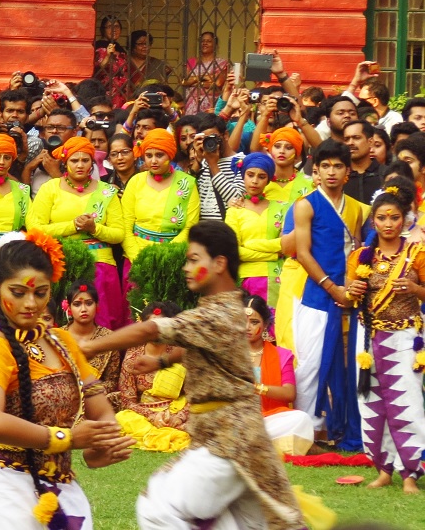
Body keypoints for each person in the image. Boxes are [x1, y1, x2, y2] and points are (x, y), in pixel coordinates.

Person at [83, 221, 306, 530]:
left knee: (156, 507)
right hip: (230, 438)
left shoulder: (220, 313)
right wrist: (161, 364)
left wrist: (88, 349)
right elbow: (199, 349)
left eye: (193, 259)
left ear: (219, 263)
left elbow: (152, 328)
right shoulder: (221, 311)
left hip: (229, 441)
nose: (186, 268)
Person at [0, 230, 132, 529]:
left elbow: (101, 412)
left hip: (61, 491)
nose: (30, 304)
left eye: (40, 293)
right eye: (19, 292)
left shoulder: (63, 342)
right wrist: (66, 438)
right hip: (3, 492)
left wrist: (101, 445)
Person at [345, 189, 425, 493]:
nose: (388, 223)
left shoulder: (417, 253)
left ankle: (410, 473)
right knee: (372, 402)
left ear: (405, 219)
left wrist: (415, 290)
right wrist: (350, 291)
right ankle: (384, 469)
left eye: (394, 217)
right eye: (381, 218)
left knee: (406, 402)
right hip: (368, 339)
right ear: (373, 221)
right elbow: (348, 296)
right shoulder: (359, 257)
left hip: (405, 337)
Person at [292, 140, 368, 450]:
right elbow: (302, 252)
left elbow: (360, 253)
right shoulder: (305, 205)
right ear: (316, 171)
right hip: (316, 296)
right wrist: (332, 287)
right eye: (325, 166)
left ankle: (340, 429)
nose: (332, 171)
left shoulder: (356, 209)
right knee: (311, 364)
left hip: (350, 297)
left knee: (347, 364)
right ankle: (307, 432)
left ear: (348, 172)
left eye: (338, 166)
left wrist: (351, 289)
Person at [27, 136, 129, 329]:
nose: (80, 165)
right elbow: (35, 228)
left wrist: (94, 228)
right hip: (61, 263)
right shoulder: (50, 189)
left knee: (103, 324)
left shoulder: (107, 191)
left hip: (101, 265)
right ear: (65, 162)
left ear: (92, 163)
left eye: (85, 160)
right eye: (74, 160)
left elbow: (118, 234)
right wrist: (73, 226)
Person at [242, 295, 315, 457]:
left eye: (254, 322)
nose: (247, 327)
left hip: (270, 420)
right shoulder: (228, 355)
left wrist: (256, 388)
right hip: (238, 419)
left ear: (266, 325)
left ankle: (253, 445)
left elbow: (289, 394)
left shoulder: (282, 355)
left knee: (301, 419)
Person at [114, 302, 191, 453]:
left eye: (160, 326)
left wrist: (179, 416)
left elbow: (193, 395)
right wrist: (152, 416)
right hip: (144, 413)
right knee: (122, 418)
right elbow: (128, 401)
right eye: (150, 327)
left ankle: (174, 427)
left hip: (175, 409)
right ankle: (168, 431)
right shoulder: (132, 358)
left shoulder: (179, 353)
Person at [121, 128, 200, 273]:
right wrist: (138, 258)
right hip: (136, 260)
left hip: (172, 259)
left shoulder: (187, 183)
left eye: (159, 155)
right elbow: (125, 226)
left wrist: (164, 256)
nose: (153, 161)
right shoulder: (136, 181)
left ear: (170, 155)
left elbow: (190, 227)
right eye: (149, 155)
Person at [225, 152, 289, 304]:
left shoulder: (282, 208)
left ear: (268, 180)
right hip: (246, 279)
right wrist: (273, 254)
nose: (255, 181)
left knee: (275, 325)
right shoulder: (234, 211)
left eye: (261, 177)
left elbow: (286, 245)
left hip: (278, 278)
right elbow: (234, 251)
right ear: (243, 175)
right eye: (250, 175)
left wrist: (250, 245)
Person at [62, 283, 122, 406]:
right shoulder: (59, 337)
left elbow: (112, 380)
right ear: (69, 308)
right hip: (63, 398)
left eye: (89, 303)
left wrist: (89, 391)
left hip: (96, 400)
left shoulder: (109, 338)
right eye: (77, 304)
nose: (83, 309)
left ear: (97, 306)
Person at [181, 31, 229, 116]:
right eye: (203, 41)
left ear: (215, 45)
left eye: (209, 41)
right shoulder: (192, 61)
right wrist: (204, 78)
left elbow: (218, 83)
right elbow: (185, 82)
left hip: (211, 104)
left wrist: (195, 80)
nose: (205, 43)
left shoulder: (222, 63)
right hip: (191, 103)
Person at [262, 127, 314, 203]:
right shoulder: (260, 182)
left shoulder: (310, 183)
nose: (282, 151)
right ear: (270, 150)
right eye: (277, 146)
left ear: (296, 154)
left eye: (289, 148)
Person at [343, 120, 387, 204]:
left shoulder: (386, 174)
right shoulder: (340, 176)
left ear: (370, 142)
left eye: (356, 138)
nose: (350, 143)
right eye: (346, 139)